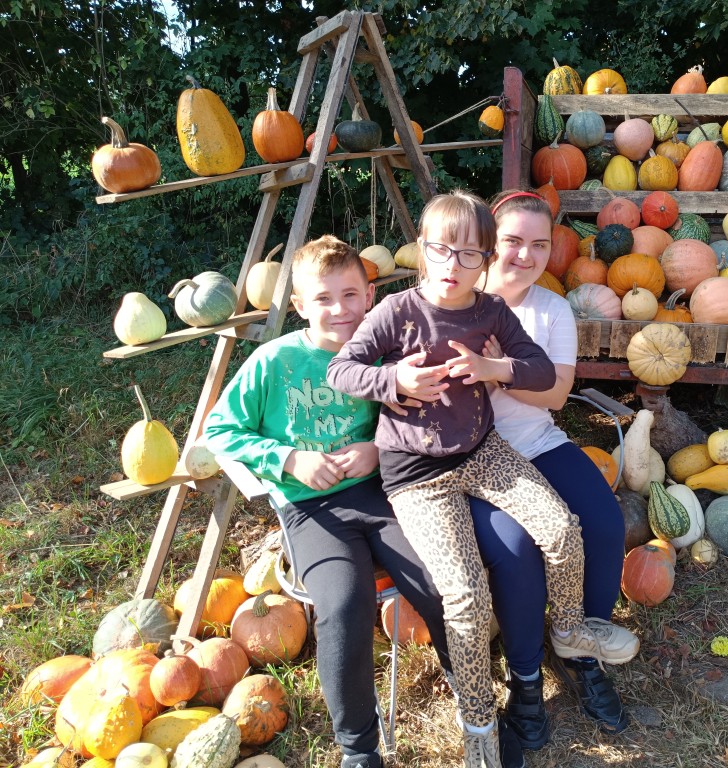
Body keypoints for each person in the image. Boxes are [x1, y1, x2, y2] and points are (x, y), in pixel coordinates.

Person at [326, 190, 638, 768]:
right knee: (466, 596)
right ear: (422, 249)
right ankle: (479, 724)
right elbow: (341, 367)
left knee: (563, 529)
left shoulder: (493, 311)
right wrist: (393, 381)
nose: (454, 265)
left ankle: (570, 632)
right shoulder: (396, 310)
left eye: (469, 254)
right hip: (418, 474)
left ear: (484, 259)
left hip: (483, 449)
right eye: (442, 251)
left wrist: (494, 367)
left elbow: (543, 373)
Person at [203, 235, 454, 768]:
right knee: (343, 605)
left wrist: (376, 448)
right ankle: (359, 748)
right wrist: (289, 458)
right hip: (311, 508)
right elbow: (219, 430)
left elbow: (421, 418)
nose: (339, 309)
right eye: (323, 298)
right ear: (299, 304)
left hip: (383, 493)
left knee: (440, 581)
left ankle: (472, 693)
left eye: (350, 295)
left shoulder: (384, 355)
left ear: (369, 297)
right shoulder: (275, 361)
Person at [470, 190, 629, 749]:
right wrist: (513, 372)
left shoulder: (553, 309)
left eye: (539, 244)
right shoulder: (458, 296)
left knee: (604, 525)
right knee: (517, 550)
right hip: (474, 455)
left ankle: (581, 651)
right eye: (513, 240)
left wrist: (496, 368)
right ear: (489, 240)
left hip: (538, 442)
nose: (525, 254)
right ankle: (525, 680)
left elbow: (557, 395)